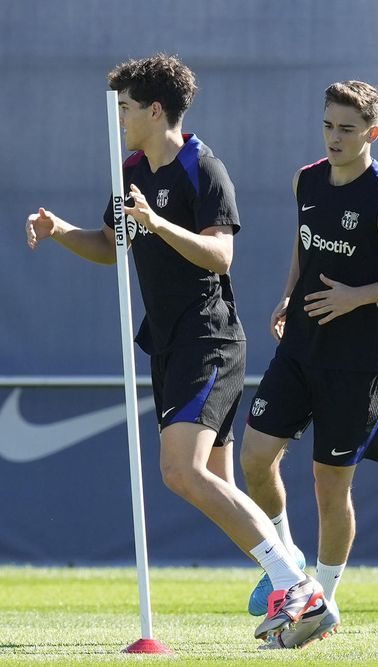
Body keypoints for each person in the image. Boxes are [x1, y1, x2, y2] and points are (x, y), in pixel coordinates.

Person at [25, 54, 333, 648]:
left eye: (125, 108)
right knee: (214, 482)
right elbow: (113, 246)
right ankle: (289, 570)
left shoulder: (203, 168)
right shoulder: (131, 169)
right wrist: (62, 230)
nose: (118, 117)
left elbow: (221, 256)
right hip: (168, 343)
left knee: (179, 472)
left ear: (155, 109)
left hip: (209, 340)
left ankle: (296, 583)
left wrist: (158, 222)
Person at [239, 80, 378, 641]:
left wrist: (356, 295)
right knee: (255, 456)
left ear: (373, 132)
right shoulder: (306, 179)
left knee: (331, 487)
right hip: (299, 348)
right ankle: (287, 561)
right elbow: (306, 245)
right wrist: (287, 295)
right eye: (328, 124)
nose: (334, 137)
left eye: (347, 128)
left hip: (355, 363)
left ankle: (324, 597)